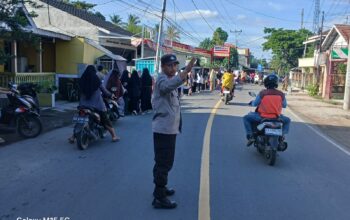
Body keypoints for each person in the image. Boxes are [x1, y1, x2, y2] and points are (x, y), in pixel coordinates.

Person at [151, 54, 196, 209]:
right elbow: (166, 87)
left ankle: (160, 189)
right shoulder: (162, 79)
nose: (173, 68)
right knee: (164, 163)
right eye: (170, 65)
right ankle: (159, 197)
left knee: (164, 162)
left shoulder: (170, 80)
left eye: (175, 65)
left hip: (169, 129)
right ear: (163, 66)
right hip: (163, 130)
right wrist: (186, 72)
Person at [68, 65, 119, 143]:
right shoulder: (96, 80)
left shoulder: (82, 81)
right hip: (96, 105)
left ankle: (72, 137)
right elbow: (104, 91)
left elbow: (78, 92)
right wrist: (111, 95)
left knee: (80, 120)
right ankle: (114, 136)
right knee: (105, 119)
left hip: (83, 105)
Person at [243, 74, 291, 146]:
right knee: (288, 120)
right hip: (277, 118)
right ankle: (282, 136)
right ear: (276, 83)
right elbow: (284, 105)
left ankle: (250, 136)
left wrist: (251, 102)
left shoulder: (262, 93)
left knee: (246, 118)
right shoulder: (281, 94)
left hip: (262, 117)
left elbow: (255, 104)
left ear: (266, 83)